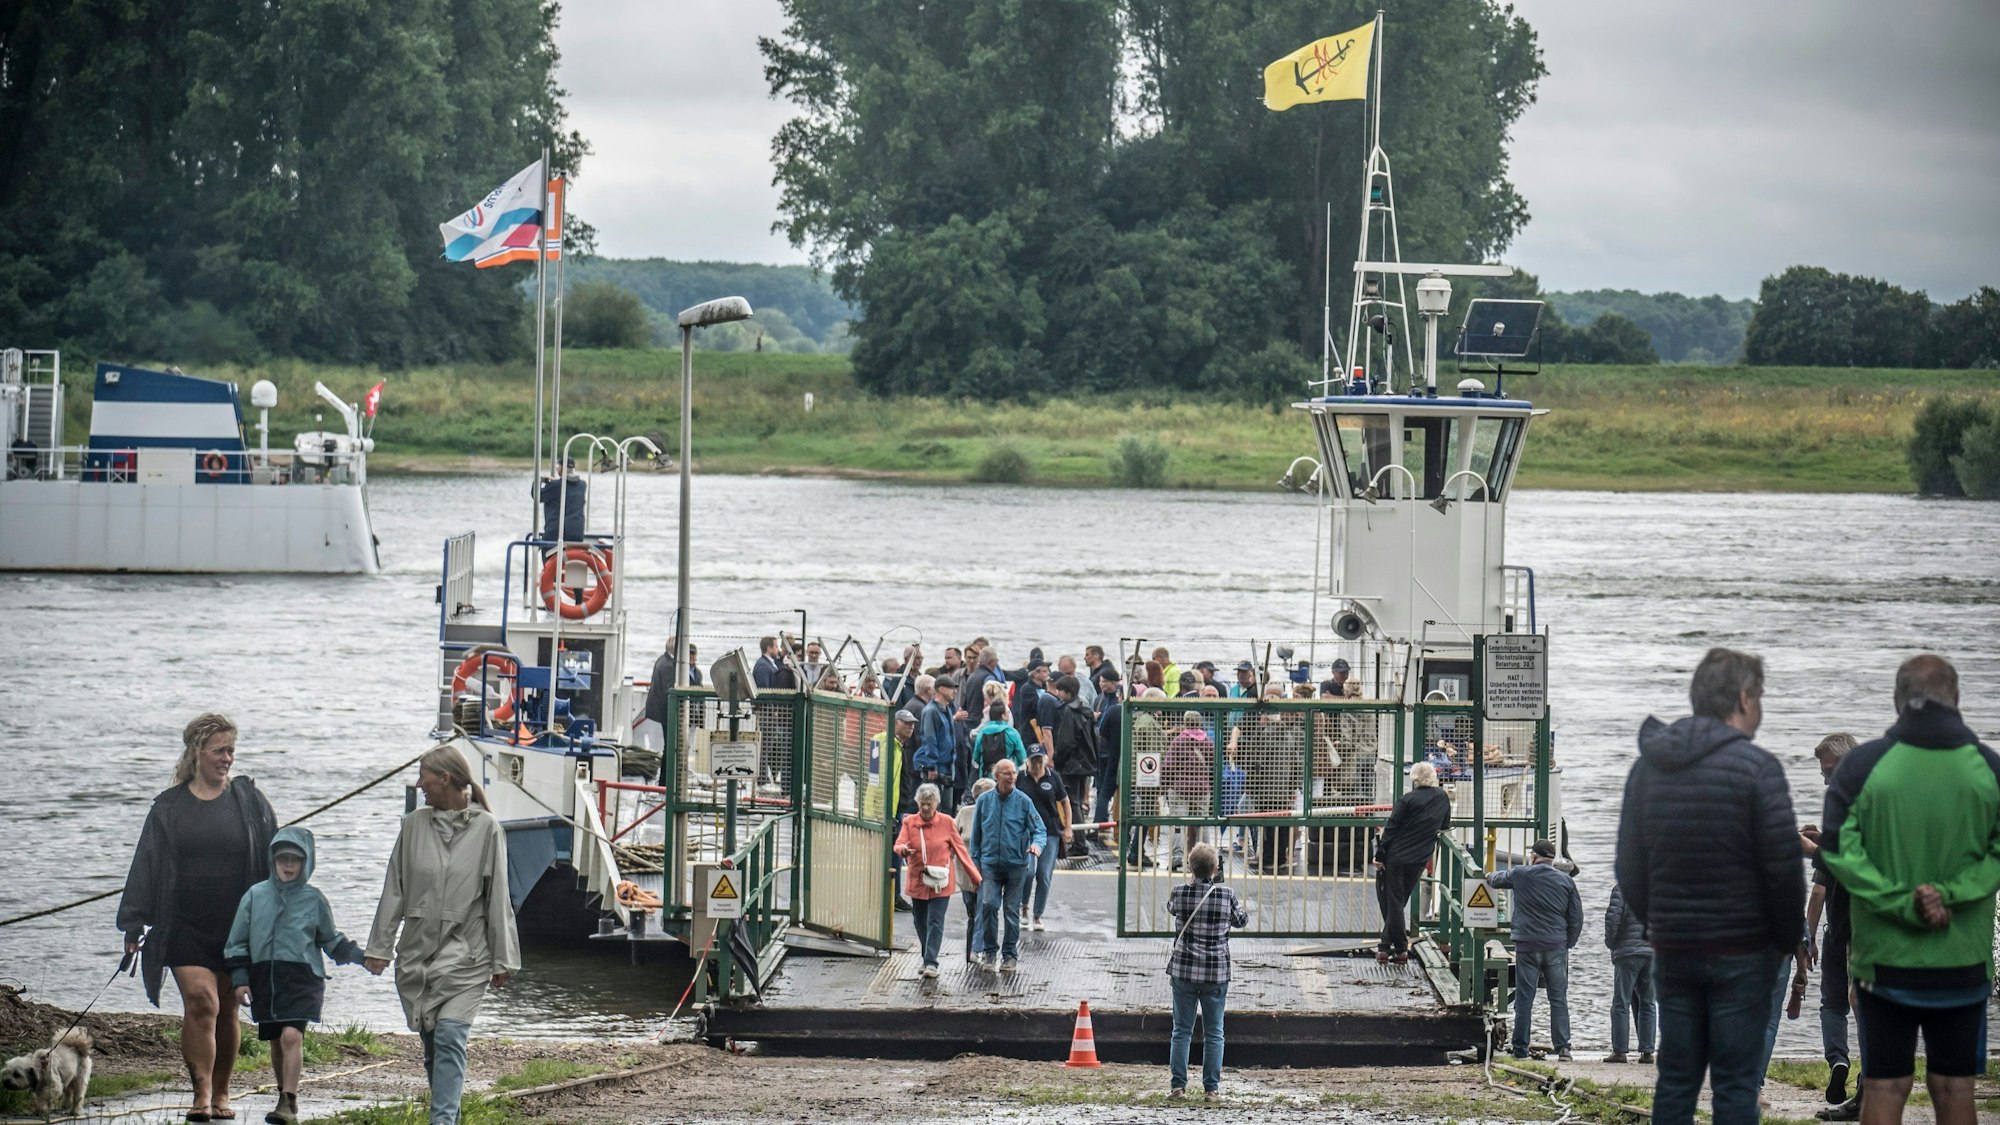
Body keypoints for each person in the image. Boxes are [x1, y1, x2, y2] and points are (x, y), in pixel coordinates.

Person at [1615, 647, 1803, 1125]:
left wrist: (1660, 921)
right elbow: (1784, 871)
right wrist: (1783, 942)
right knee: (1736, 1084)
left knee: (1676, 1079)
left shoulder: (1647, 768)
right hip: (1743, 950)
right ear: (1743, 698)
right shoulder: (1758, 769)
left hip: (1675, 947)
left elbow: (1629, 867)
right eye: (1759, 697)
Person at [1819, 654, 1998, 1125]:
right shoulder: (1988, 768)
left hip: (1885, 958)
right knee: (1954, 1088)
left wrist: (1901, 903)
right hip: (1961, 956)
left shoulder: (1861, 768)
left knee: (1885, 1086)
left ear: (1898, 700)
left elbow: (1837, 851)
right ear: (1956, 697)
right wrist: (1950, 894)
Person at [118, 713, 279, 1123]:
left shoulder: (248, 801)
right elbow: (146, 865)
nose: (227, 758)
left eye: (231, 750)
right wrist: (134, 923)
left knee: (227, 1009)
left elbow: (274, 857)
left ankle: (222, 1092)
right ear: (197, 752)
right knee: (201, 1001)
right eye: (219, 750)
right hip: (183, 924)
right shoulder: (169, 806)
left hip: (237, 925)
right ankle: (201, 1094)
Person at [364, 744, 520, 1125]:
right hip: (417, 956)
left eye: (424, 778)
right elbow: (394, 889)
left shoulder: (487, 829)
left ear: (445, 779)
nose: (419, 785)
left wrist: (502, 958)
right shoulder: (413, 826)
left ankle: (443, 1121)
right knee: (434, 1045)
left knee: (450, 1035)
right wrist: (380, 946)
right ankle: (449, 1113)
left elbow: (498, 897)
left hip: (467, 957)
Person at [225, 828, 366, 1125]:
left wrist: (363, 958)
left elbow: (332, 941)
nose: (288, 865)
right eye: (283, 859)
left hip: (304, 978)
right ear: (272, 860)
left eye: (295, 859)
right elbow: (236, 943)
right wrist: (240, 978)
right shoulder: (255, 895)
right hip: (265, 978)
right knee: (277, 1040)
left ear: (306, 862)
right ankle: (283, 1093)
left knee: (291, 1035)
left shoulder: (314, 899)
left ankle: (288, 1101)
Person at [1798, 732, 1860, 1116]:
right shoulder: (1847, 804)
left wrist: (1814, 851)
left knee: (1843, 1003)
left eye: (1829, 772)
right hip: (1843, 924)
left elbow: (1826, 883)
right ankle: (1864, 1082)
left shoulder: (1858, 802)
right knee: (1852, 1001)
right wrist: (1823, 842)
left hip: (1854, 924)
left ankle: (1841, 1061)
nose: (1825, 782)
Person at [1486, 840, 1583, 1060]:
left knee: (1524, 1000)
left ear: (1533, 856)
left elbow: (1497, 879)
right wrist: (1568, 943)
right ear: (1552, 859)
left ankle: (1520, 1049)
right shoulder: (1566, 881)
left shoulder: (1521, 874)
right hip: (1556, 946)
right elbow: (1576, 917)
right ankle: (1563, 1048)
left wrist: (1488, 875)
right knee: (1558, 999)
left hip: (1527, 945)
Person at [1166, 842, 1247, 1100]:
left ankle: (1178, 1087)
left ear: (1190, 867)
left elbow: (1171, 908)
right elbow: (1242, 920)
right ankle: (1211, 1089)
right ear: (1215, 868)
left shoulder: (1179, 892)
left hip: (1184, 970)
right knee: (1214, 1032)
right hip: (1216, 972)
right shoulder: (1226, 895)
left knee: (1181, 1030)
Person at [894, 783, 981, 978]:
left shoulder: (947, 822)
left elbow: (961, 851)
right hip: (918, 880)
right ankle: (927, 956)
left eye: (930, 804)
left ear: (937, 804)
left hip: (941, 882)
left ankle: (931, 962)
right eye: (922, 803)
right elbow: (899, 843)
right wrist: (903, 850)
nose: (926, 807)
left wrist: (975, 877)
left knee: (935, 920)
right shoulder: (909, 822)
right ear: (917, 803)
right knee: (919, 922)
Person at [968, 759, 1046, 972]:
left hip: (1016, 865)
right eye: (1007, 773)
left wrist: (1037, 846)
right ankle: (990, 953)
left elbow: (1040, 829)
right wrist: (975, 865)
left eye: (1014, 773)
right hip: (989, 865)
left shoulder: (1023, 801)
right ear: (996, 776)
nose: (1012, 777)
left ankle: (1010, 955)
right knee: (989, 905)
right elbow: (976, 837)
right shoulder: (984, 801)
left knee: (1011, 911)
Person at [1372, 762, 1452, 964]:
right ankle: (1387, 947)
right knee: (1399, 901)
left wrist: (1380, 856)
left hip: (1396, 857)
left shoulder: (1407, 799)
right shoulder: (1442, 797)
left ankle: (1397, 949)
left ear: (1414, 779)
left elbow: (1391, 829)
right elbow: (1445, 825)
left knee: (1394, 901)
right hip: (1420, 858)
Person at [1604, 882, 1656, 1065]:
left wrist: (1611, 943)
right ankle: (1647, 1052)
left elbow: (1613, 920)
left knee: (1621, 1002)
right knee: (1648, 1003)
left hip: (1627, 953)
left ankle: (1620, 1051)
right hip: (1653, 952)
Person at [1047, 675, 1100, 855]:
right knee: (1076, 801)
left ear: (1068, 692)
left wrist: (1056, 758)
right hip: (1084, 762)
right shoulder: (1085, 708)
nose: (1058, 693)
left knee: (1072, 803)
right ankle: (1080, 840)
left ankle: (1079, 843)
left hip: (1071, 764)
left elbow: (1066, 741)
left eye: (1060, 690)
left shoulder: (1069, 711)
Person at [1020, 750, 1071, 931]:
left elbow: (1065, 802)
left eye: (1039, 760)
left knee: (1044, 875)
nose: (1037, 764)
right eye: (1033, 760)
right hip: (1026, 832)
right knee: (1027, 872)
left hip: (1050, 831)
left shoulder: (1053, 777)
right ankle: (1024, 907)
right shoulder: (1020, 778)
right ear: (1028, 762)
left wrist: (1068, 827)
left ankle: (1037, 915)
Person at [1162, 711, 1214, 871]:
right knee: (1202, 824)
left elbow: (1168, 766)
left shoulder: (1179, 740)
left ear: (1185, 723)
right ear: (1200, 723)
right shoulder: (1207, 742)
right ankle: (1206, 858)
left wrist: (1164, 785)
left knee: (1178, 823)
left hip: (1180, 789)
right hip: (1202, 789)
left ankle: (1177, 857)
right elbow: (1214, 764)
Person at [956, 777, 998, 962]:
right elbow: (953, 839)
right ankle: (975, 945)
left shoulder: (997, 814)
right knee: (972, 912)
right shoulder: (965, 813)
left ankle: (976, 948)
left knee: (983, 907)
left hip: (988, 870)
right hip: (966, 873)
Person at [972, 699, 1027, 778]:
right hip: (1007, 777)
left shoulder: (982, 733)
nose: (1009, 714)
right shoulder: (1012, 733)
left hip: (987, 777)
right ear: (1003, 715)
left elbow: (976, 759)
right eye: (1007, 712)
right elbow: (1022, 758)